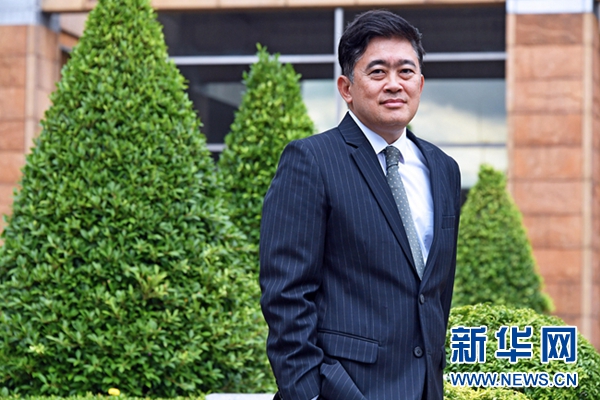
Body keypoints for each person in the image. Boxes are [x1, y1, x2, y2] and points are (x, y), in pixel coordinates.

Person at [259, 9, 461, 400]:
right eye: (377, 72)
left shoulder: (443, 169)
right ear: (346, 87)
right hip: (342, 389)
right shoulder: (311, 161)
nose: (394, 84)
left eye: (406, 71)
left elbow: (436, 292)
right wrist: (309, 393)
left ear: (420, 83)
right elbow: (286, 294)